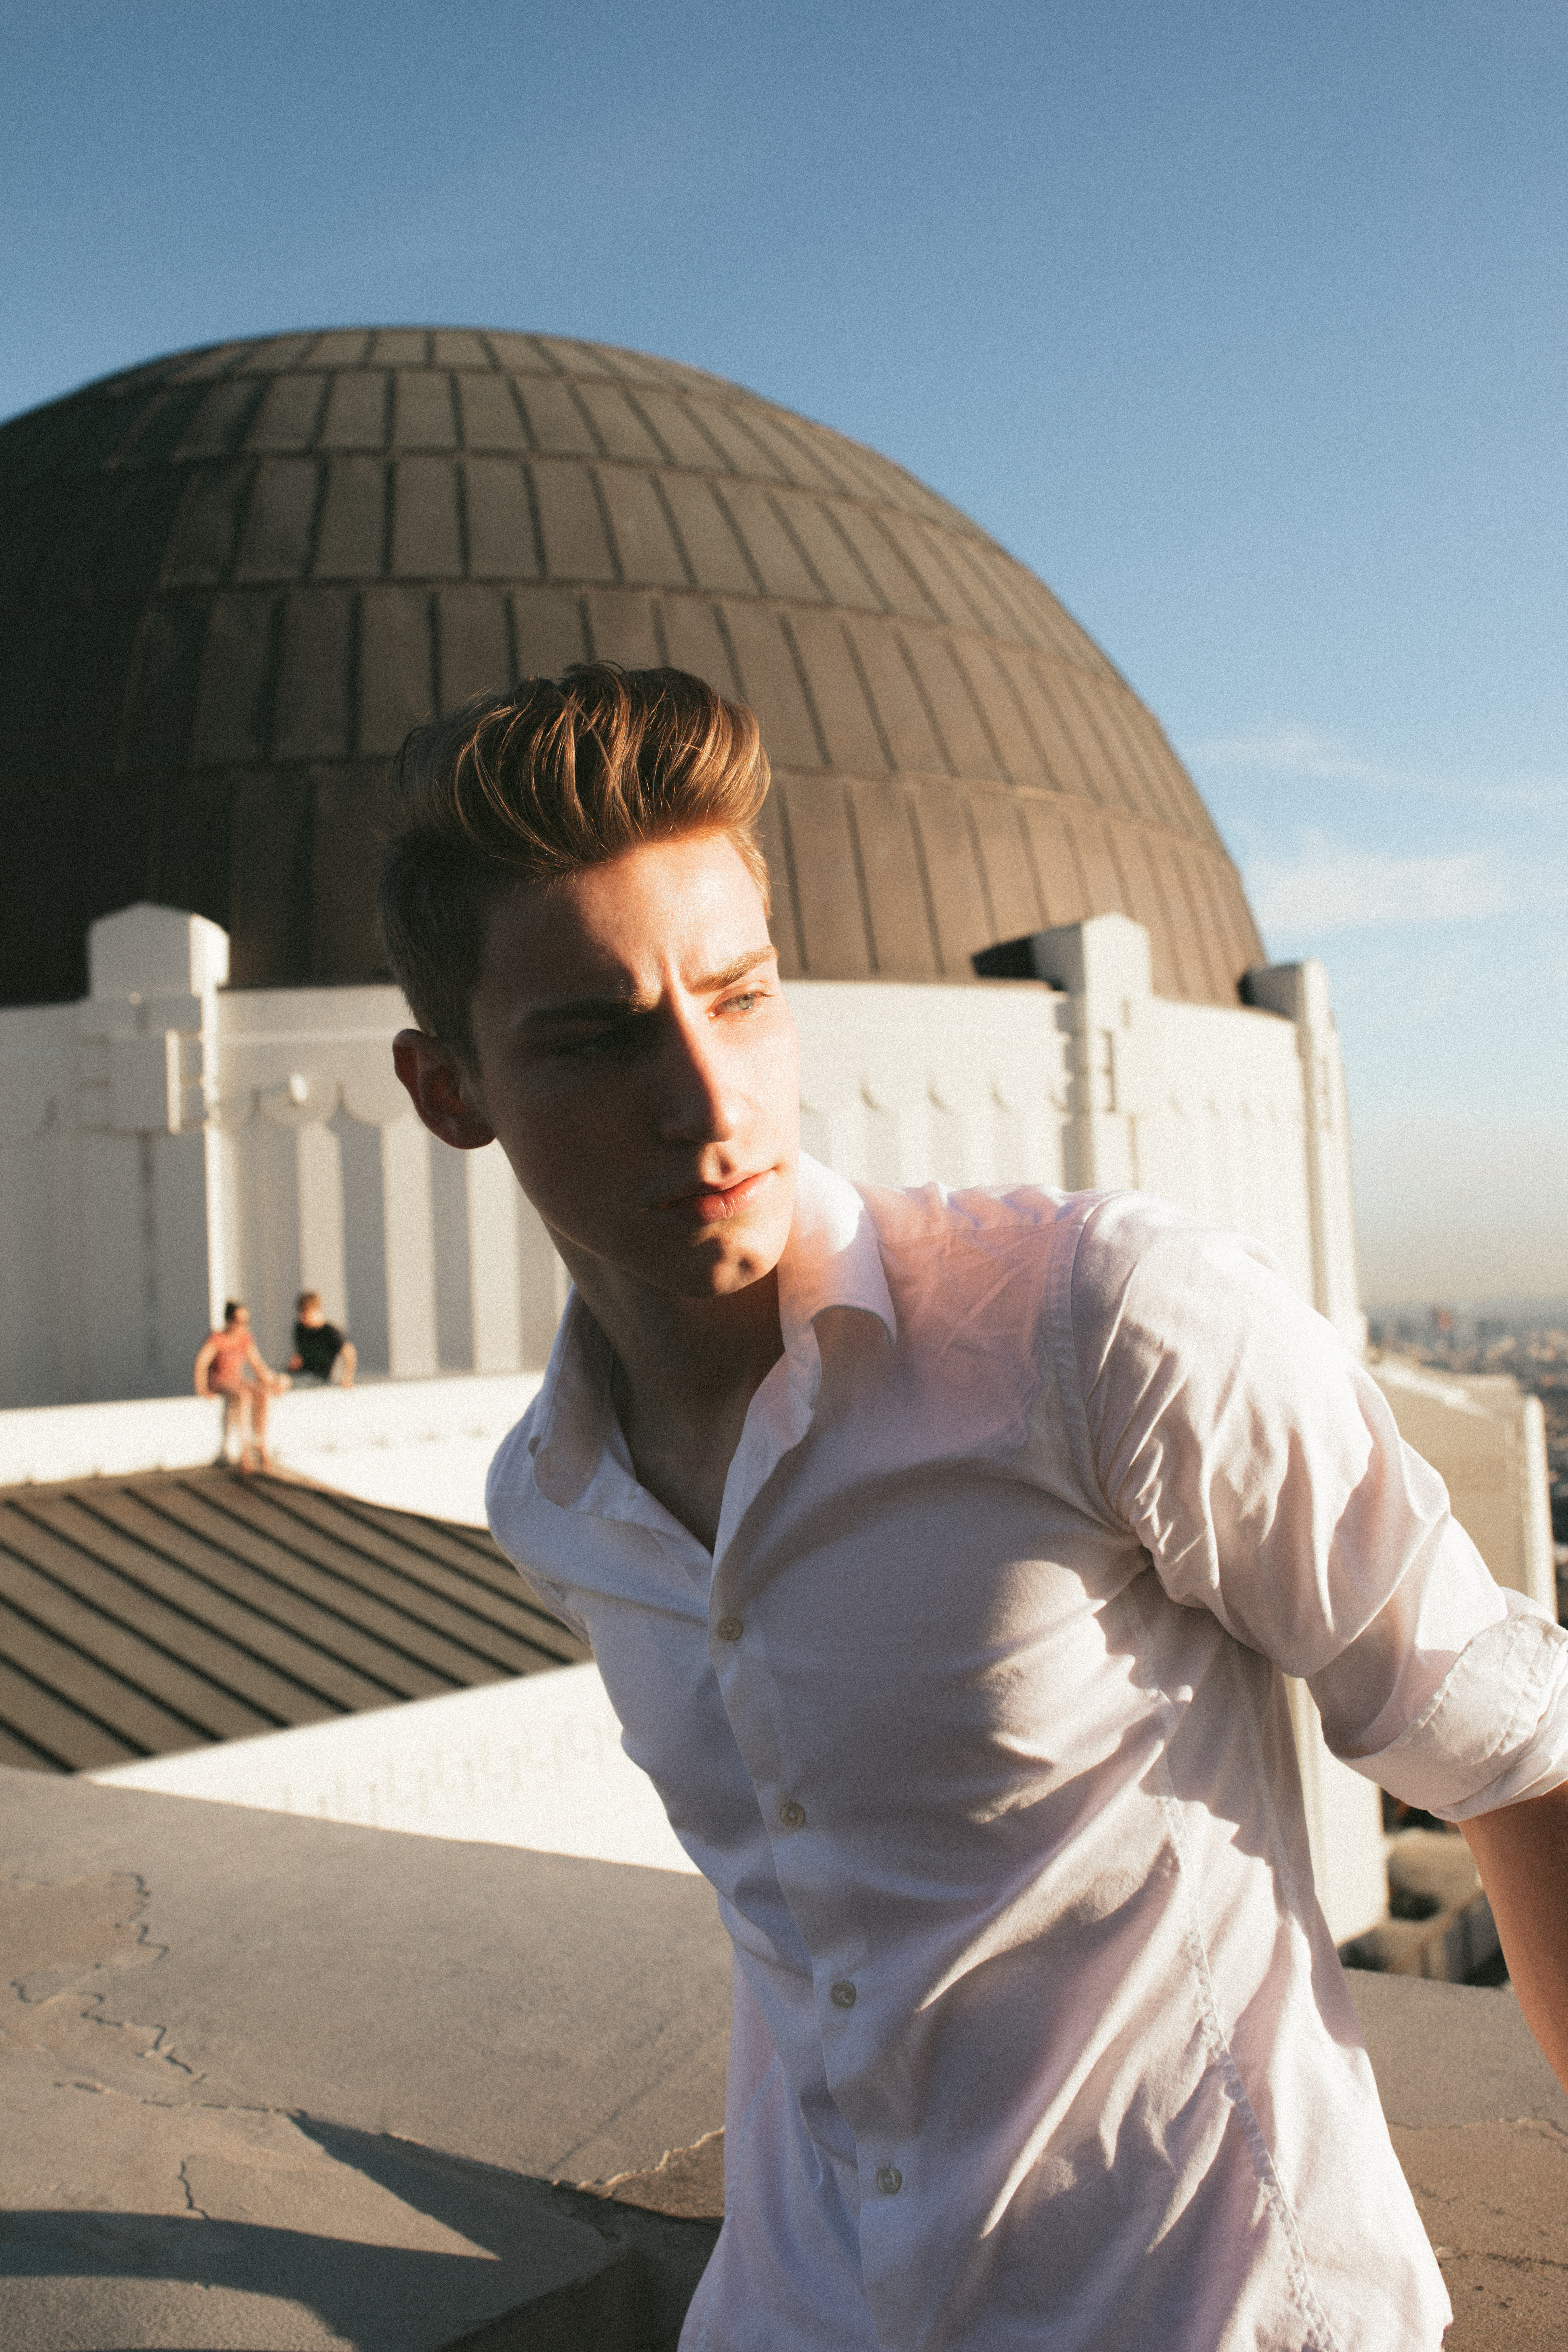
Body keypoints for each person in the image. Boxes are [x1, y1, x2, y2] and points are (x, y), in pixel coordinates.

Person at [383, 664, 1568, 2352]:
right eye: (595, 1038)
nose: (708, 1105)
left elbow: (1523, 1752)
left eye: (740, 997)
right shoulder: (557, 1498)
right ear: (448, 1093)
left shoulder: (1098, 1329)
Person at [193, 1301, 289, 1473]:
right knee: (244, 1397)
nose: (243, 1326)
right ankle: (245, 1450)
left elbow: (257, 1364)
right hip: (221, 1381)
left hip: (237, 1379)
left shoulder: (245, 1339)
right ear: (229, 1321)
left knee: (262, 1394)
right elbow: (201, 1364)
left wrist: (272, 1383)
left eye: (246, 1322)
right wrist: (202, 1390)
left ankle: (260, 1443)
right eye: (239, 1321)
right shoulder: (218, 1339)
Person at [288, 1291, 356, 1388]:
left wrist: (346, 1379)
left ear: (316, 1310)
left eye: (306, 1312)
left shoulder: (330, 1332)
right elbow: (300, 1356)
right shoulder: (300, 1329)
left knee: (284, 1382)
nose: (302, 1317)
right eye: (301, 1312)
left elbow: (349, 1353)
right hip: (300, 1374)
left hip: (319, 1378)